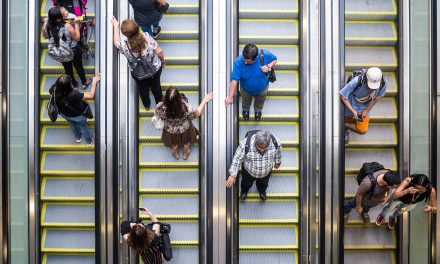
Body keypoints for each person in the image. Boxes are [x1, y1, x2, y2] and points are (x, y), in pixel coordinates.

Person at [112, 17, 165, 110]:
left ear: (125, 34)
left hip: (138, 73)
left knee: (142, 89)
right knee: (156, 86)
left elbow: (116, 42)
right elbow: (159, 52)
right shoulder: (146, 37)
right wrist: (163, 61)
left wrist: (116, 26)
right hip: (154, 69)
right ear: (137, 28)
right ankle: (160, 105)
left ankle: (147, 105)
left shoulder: (124, 46)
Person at [155, 87, 213, 159]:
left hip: (170, 130)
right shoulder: (185, 107)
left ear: (166, 98)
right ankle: (186, 154)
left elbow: (160, 117)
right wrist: (204, 101)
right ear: (179, 98)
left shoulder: (160, 107)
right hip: (185, 128)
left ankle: (175, 154)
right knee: (186, 142)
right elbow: (196, 114)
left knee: (174, 143)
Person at [224, 44, 277, 121]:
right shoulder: (238, 62)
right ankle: (245, 110)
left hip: (262, 88)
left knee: (260, 100)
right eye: (244, 59)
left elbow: (274, 59)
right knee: (245, 100)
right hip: (245, 89)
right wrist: (229, 97)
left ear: (256, 58)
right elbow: (234, 80)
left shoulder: (265, 54)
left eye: (248, 61)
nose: (245, 62)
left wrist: (268, 66)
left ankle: (258, 111)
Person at [42, 6, 91, 89]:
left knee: (67, 69)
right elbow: (77, 38)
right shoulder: (67, 26)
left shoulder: (45, 25)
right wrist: (76, 23)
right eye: (62, 13)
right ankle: (84, 83)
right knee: (78, 66)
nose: (64, 13)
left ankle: (73, 84)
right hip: (73, 49)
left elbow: (45, 36)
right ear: (59, 18)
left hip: (59, 51)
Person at [225, 130, 282, 201]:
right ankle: (244, 192)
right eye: (260, 147)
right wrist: (232, 175)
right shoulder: (245, 144)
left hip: (266, 172)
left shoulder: (275, 142)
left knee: (263, 184)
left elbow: (278, 153)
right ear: (255, 142)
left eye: (265, 148)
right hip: (249, 171)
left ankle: (262, 191)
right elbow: (237, 158)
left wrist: (277, 162)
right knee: (246, 184)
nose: (262, 150)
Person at [49, 73, 100, 146]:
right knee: (84, 127)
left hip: (65, 114)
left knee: (72, 125)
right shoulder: (74, 94)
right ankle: (89, 141)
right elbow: (91, 95)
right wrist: (94, 82)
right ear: (68, 85)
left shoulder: (53, 90)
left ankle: (78, 138)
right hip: (78, 115)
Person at [340, 67, 387, 143]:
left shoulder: (382, 82)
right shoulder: (356, 81)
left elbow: (378, 97)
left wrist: (366, 110)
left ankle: (345, 125)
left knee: (363, 130)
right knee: (346, 119)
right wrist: (353, 111)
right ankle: (346, 128)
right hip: (350, 107)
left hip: (365, 107)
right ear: (366, 79)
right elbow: (343, 96)